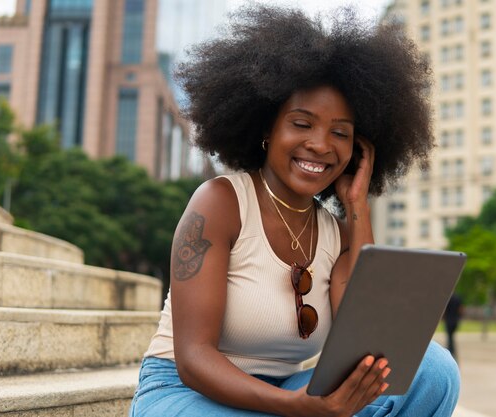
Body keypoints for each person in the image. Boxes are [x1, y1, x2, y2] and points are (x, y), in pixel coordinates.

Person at [130, 5, 460, 416]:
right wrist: (296, 407)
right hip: (186, 393)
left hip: (288, 392)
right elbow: (194, 358)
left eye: (340, 133)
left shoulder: (337, 232)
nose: (321, 145)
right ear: (268, 128)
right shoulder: (221, 202)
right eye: (302, 124)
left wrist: (357, 207)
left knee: (434, 369)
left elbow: (370, 340)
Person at [443, 294, 463, 361]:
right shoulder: (458, 298)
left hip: (448, 321)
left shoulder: (448, 298)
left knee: (449, 337)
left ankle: (450, 350)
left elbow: (445, 310)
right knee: (451, 337)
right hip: (455, 321)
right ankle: (451, 350)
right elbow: (460, 310)